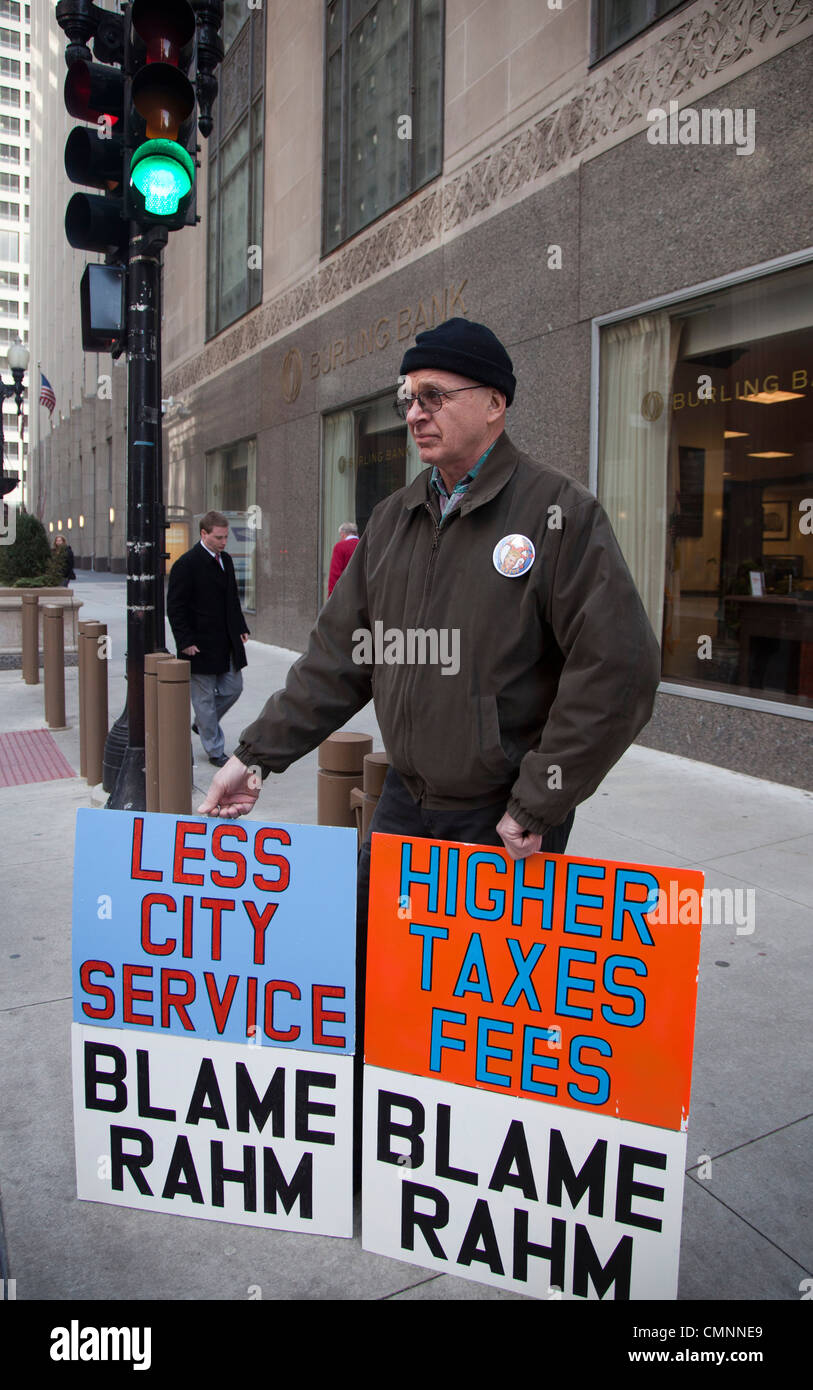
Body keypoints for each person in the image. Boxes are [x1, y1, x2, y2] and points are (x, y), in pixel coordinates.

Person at [166, 510, 250, 767]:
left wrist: (241, 627)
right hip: (198, 644)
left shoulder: (225, 559)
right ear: (204, 534)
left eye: (226, 537)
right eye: (219, 537)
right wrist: (185, 641)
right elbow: (175, 607)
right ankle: (215, 750)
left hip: (226, 641)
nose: (224, 542)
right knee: (203, 700)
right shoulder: (186, 564)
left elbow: (232, 599)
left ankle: (202, 723)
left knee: (233, 688)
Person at [328, 522, 359, 595]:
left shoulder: (340, 546)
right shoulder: (365, 545)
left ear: (343, 534)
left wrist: (331, 595)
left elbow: (335, 573)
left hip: (346, 593)